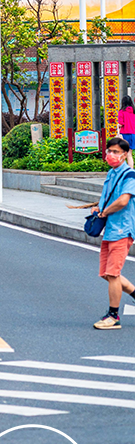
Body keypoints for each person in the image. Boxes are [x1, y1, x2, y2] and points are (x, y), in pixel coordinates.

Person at [77, 137, 135, 329]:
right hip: (110, 229)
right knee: (106, 274)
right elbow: (106, 198)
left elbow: (123, 201)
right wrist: (98, 209)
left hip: (123, 228)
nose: (111, 155)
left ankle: (113, 316)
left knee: (113, 273)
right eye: (109, 151)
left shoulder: (129, 175)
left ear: (125, 154)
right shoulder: (111, 173)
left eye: (116, 152)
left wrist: (105, 211)